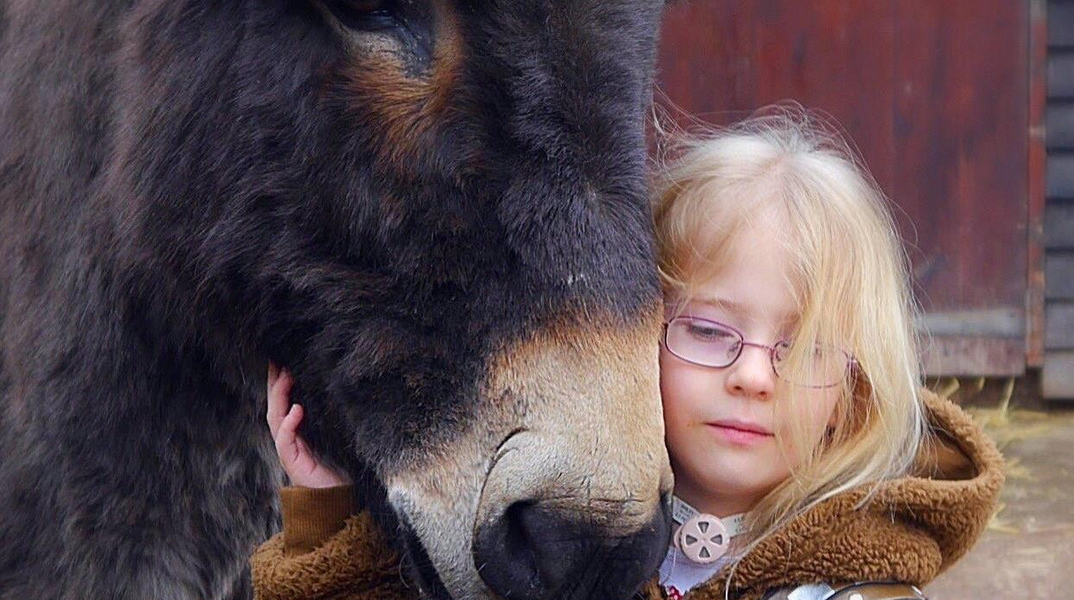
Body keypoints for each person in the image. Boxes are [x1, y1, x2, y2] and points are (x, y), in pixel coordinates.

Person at [250, 112, 1004, 600]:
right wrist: (332, 519)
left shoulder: (857, 584)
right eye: (709, 332)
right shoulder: (552, 530)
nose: (751, 377)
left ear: (854, 388)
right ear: (635, 332)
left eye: (802, 349)